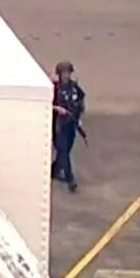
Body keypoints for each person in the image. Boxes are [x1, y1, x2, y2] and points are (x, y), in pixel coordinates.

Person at [51, 60, 86, 193]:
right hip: (59, 125)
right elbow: (47, 103)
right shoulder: (54, 88)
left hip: (71, 125)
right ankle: (70, 179)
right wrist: (57, 108)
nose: (66, 75)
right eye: (63, 73)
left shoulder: (74, 87)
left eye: (68, 73)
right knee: (64, 151)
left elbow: (81, 99)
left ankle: (53, 170)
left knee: (64, 152)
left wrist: (80, 114)